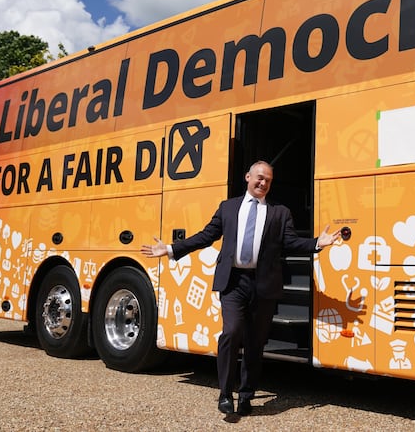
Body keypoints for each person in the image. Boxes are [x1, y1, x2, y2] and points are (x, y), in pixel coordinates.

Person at [141, 161, 340, 416]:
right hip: (234, 282)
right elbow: (206, 235)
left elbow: (290, 243)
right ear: (248, 177)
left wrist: (316, 243)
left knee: (255, 344)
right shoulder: (228, 207)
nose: (263, 183)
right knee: (231, 332)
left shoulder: (280, 212)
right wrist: (171, 249)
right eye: (259, 177)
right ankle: (225, 393)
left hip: (263, 285)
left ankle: (246, 395)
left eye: (268, 180)